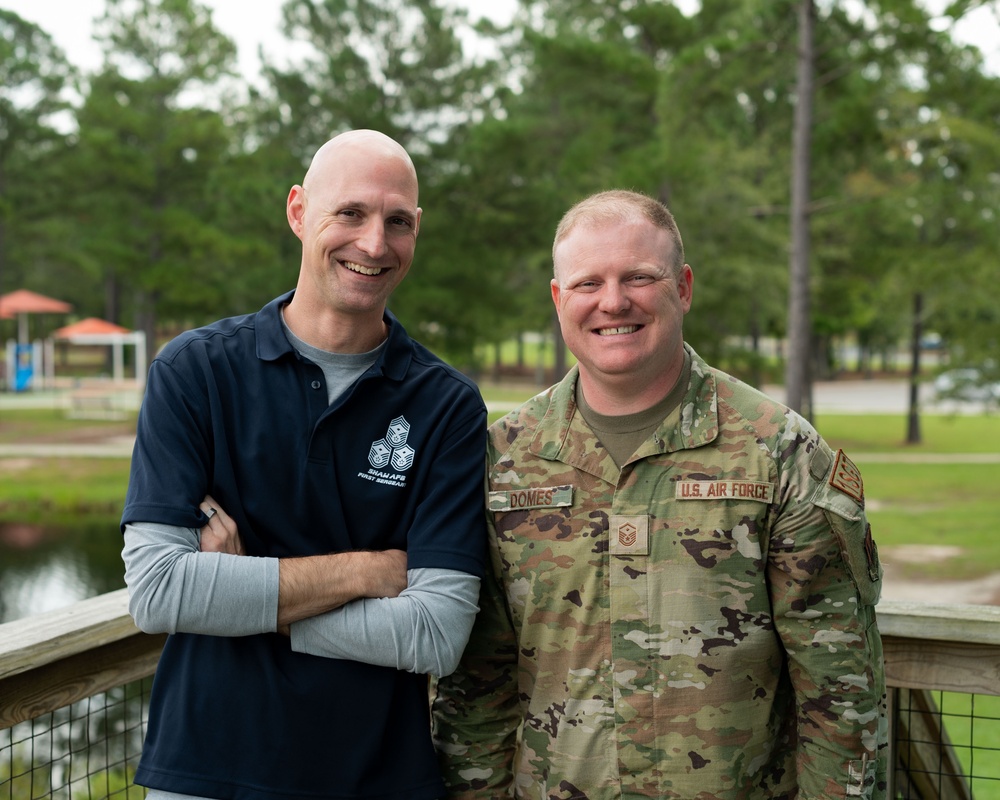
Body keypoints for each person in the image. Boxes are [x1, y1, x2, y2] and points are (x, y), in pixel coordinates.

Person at [431, 189, 887, 799]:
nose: (613, 301)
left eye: (640, 277)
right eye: (588, 283)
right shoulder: (505, 461)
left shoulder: (777, 450)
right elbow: (476, 689)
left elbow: (840, 688)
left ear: (684, 287)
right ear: (558, 298)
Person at [121, 129, 487, 800]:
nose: (374, 243)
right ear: (298, 211)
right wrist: (365, 571)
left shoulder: (448, 406)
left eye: (396, 221)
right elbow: (159, 591)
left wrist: (237, 594)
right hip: (204, 774)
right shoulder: (195, 372)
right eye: (350, 213)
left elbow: (435, 634)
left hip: (376, 780)